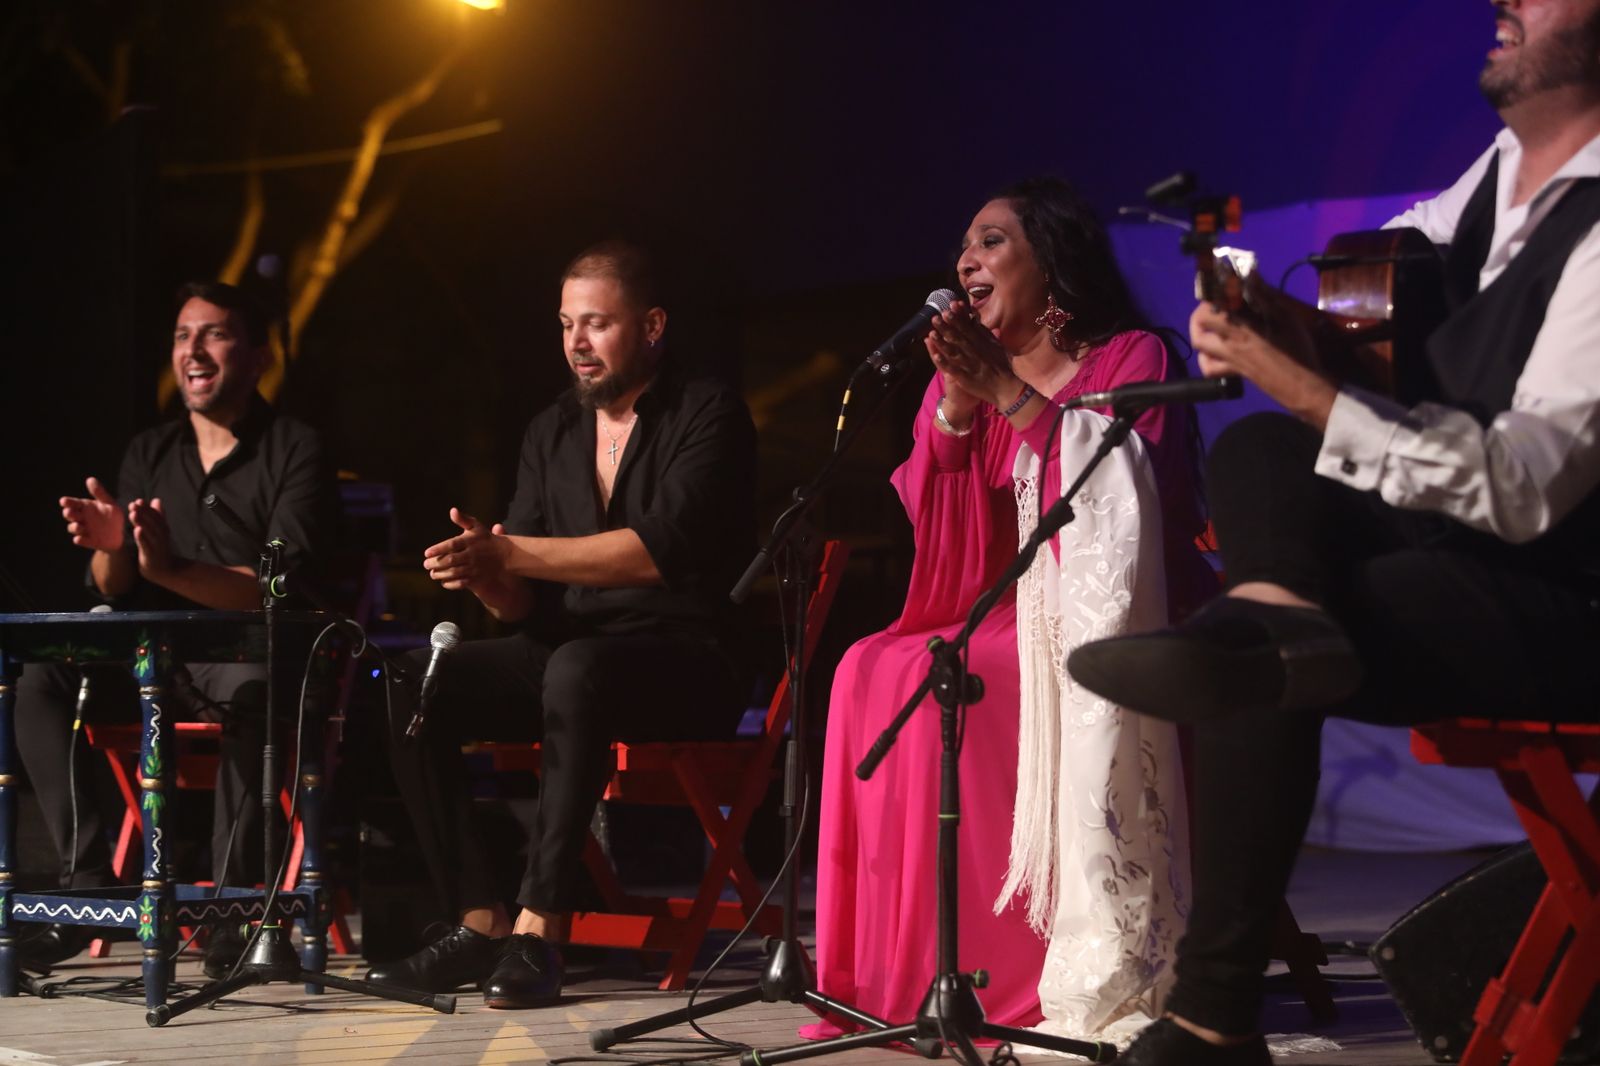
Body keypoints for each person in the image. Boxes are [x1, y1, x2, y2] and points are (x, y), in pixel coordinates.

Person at [1066, 1, 1600, 1062]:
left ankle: (1211, 1016)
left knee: (1276, 630)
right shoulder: (1489, 182)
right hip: (1457, 559)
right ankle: (1271, 616)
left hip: (1561, 601)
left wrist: (1308, 387)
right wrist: (1283, 329)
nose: (1506, 3)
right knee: (1261, 459)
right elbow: (1370, 302)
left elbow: (1522, 485)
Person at [808, 178, 1213, 1043]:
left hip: (1106, 611)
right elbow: (950, 555)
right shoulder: (965, 379)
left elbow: (1121, 508)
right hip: (993, 601)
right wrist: (954, 411)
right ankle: (898, 976)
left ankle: (1018, 971)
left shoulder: (1130, 356)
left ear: (1054, 262)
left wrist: (1007, 396)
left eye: (991, 241)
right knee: (869, 666)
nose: (965, 261)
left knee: (974, 672)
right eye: (963, 245)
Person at [364, 240, 757, 1009]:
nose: (577, 343)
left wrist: (513, 549)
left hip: (687, 660)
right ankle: (479, 919)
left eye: (597, 324)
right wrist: (491, 576)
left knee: (576, 666)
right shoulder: (551, 430)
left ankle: (539, 930)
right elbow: (528, 606)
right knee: (413, 680)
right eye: (567, 324)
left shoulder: (709, 413)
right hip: (573, 653)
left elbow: (657, 553)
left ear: (651, 326)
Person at [15, 280, 336, 975]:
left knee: (258, 684)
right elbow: (113, 585)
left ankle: (233, 905)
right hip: (153, 661)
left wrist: (167, 566)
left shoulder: (294, 450)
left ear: (255, 356)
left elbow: (272, 592)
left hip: (241, 657)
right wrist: (110, 548)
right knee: (39, 675)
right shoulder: (150, 452)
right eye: (182, 335)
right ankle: (85, 888)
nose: (193, 349)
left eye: (214, 333)